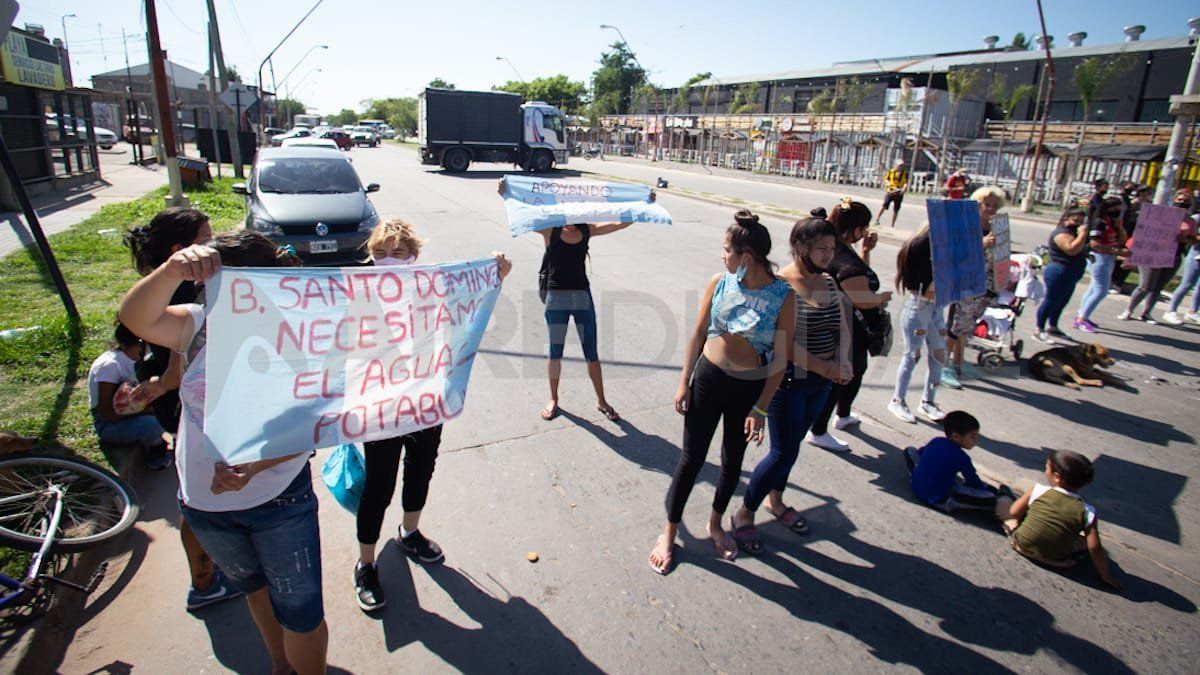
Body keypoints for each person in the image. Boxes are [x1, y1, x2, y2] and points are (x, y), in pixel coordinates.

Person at [118, 232, 328, 675]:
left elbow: (316, 424)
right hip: (205, 507)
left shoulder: (300, 337)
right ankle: (279, 666)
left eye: (229, 288)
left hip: (279, 504)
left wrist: (256, 466)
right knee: (255, 591)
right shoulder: (196, 326)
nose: (215, 299)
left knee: (302, 614)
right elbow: (136, 316)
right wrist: (172, 269)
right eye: (207, 288)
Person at [352, 219, 512, 612]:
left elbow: (470, 313)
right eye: (380, 253)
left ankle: (410, 532)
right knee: (379, 484)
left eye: (398, 253)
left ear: (414, 257)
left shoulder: (435, 291)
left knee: (421, 470)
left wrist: (496, 276)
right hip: (382, 409)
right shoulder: (358, 295)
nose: (388, 261)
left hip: (426, 404)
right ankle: (366, 563)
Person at [648, 210, 794, 574]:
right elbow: (699, 333)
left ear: (747, 256)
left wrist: (760, 409)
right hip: (709, 379)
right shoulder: (720, 282)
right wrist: (684, 380)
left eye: (727, 250)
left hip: (748, 389)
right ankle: (668, 531)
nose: (722, 256)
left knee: (732, 461)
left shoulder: (783, 296)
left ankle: (715, 524)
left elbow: (780, 360)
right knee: (691, 458)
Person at [124, 207, 239, 613]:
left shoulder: (157, 285)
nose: (215, 242)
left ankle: (203, 579)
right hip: (188, 405)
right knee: (197, 498)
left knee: (192, 491)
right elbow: (179, 370)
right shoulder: (189, 293)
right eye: (207, 238)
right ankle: (207, 581)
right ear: (180, 249)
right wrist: (158, 387)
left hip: (174, 403)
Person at [731, 216, 851, 553]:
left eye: (832, 248)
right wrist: (826, 367)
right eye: (822, 248)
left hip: (821, 385)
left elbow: (841, 326)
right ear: (801, 247)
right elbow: (781, 344)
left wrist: (842, 361)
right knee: (782, 451)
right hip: (787, 384)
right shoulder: (780, 284)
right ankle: (744, 513)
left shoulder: (827, 282)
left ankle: (776, 500)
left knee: (793, 447)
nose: (829, 255)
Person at [497, 178, 639, 422]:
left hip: (582, 297)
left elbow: (619, 223)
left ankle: (601, 401)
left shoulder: (586, 230)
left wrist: (642, 205)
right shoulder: (549, 229)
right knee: (555, 352)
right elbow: (521, 215)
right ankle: (553, 399)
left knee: (591, 353)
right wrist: (505, 194)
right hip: (556, 299)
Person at [809, 199, 891, 453]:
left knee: (852, 372)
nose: (865, 233)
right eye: (864, 228)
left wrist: (866, 251)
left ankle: (842, 415)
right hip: (845, 329)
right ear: (856, 228)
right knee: (841, 376)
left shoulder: (837, 247)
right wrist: (880, 299)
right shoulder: (843, 257)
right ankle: (819, 430)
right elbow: (861, 298)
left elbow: (859, 277)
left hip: (840, 325)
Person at [1005, 450, 1120, 590]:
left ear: (1057, 477)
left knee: (1005, 503)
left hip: (1020, 545)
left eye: (1047, 467)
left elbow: (1013, 512)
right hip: (1057, 559)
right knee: (1083, 540)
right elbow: (1094, 547)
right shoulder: (1088, 511)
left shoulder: (1038, 490)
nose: (1045, 470)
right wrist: (1106, 576)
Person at [943, 187, 1004, 388]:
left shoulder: (998, 226)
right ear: (978, 205)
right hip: (966, 281)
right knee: (956, 325)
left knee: (967, 325)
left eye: (995, 205)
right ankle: (942, 365)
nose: (991, 209)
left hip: (986, 283)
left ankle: (958, 362)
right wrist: (982, 243)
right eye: (988, 205)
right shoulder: (968, 225)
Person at [87, 320, 169, 468]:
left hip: (134, 411)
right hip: (109, 424)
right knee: (155, 423)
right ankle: (156, 454)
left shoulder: (142, 357)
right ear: (139, 341)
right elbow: (106, 414)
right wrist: (147, 411)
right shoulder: (110, 366)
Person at [888, 226, 948, 424]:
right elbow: (919, 283)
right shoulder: (922, 245)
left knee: (939, 356)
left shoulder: (944, 246)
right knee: (912, 355)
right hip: (919, 307)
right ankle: (897, 400)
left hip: (936, 309)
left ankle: (928, 401)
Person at [902, 410, 1014, 517]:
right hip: (940, 499)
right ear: (956, 436)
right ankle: (1001, 498)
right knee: (987, 497)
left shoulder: (936, 441)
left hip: (915, 485)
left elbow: (920, 453)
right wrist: (986, 490)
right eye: (972, 436)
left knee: (910, 450)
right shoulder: (962, 457)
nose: (976, 440)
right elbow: (973, 481)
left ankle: (922, 477)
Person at [1120, 190, 1199, 323]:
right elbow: (1145, 231)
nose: (1182, 203)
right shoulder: (1162, 214)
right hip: (1154, 253)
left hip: (1174, 255)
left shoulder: (1190, 221)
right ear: (1174, 200)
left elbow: (1192, 238)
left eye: (1186, 201)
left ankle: (1146, 313)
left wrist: (1185, 239)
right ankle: (1128, 309)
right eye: (1179, 200)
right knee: (1145, 286)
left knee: (1157, 288)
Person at [1034, 207, 1090, 342]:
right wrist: (1083, 234)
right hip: (1059, 271)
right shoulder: (1061, 233)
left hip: (1072, 272)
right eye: (1075, 220)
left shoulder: (1075, 233)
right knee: (1051, 300)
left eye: (1081, 221)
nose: (1078, 224)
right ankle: (1039, 329)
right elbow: (1071, 249)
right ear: (1066, 219)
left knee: (1062, 300)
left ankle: (1053, 326)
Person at [1073, 196, 1127, 333]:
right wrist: (1115, 250)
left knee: (1093, 288)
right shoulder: (1099, 223)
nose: (1118, 212)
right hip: (1099, 258)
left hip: (1109, 258)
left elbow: (1122, 239)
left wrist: (1120, 227)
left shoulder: (1112, 222)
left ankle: (1082, 314)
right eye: (1115, 209)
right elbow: (1094, 244)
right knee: (1101, 290)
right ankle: (1082, 319)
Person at [1112, 185, 1152, 292]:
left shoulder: (1151, 207)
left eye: (1147, 193)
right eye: (1142, 193)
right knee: (1120, 257)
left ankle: (1119, 282)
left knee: (1131, 259)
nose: (1145, 195)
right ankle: (1113, 280)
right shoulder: (1132, 204)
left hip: (1139, 237)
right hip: (1128, 234)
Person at [876, 159, 909, 228]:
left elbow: (905, 183)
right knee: (884, 206)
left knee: (896, 209)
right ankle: (877, 219)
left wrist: (904, 189)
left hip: (899, 193)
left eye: (902, 165)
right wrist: (888, 184)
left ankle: (892, 225)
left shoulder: (905, 173)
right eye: (899, 165)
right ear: (896, 165)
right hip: (890, 191)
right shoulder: (891, 172)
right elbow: (886, 179)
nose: (900, 167)